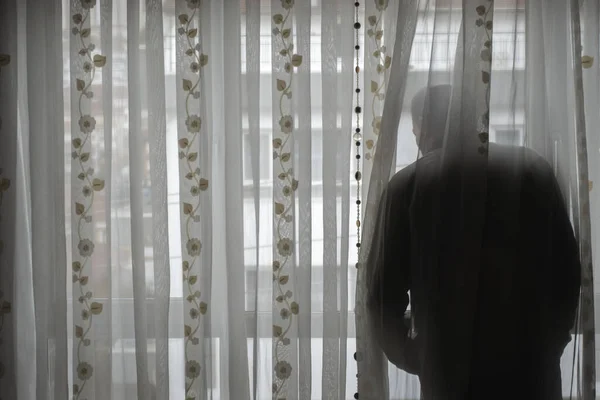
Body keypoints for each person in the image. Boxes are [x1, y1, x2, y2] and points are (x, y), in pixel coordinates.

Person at [365, 84, 581, 399]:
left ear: (422, 128)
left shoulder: (407, 185)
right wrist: (551, 342)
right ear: (474, 119)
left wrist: (418, 358)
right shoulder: (531, 169)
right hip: (531, 368)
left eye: (415, 131)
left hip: (450, 374)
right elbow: (567, 270)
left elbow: (381, 295)